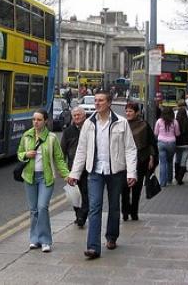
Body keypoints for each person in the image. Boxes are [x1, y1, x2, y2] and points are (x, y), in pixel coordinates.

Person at [67, 90, 137, 260]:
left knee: (114, 207)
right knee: (95, 207)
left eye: (101, 100)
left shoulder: (121, 123)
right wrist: (74, 173)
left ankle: (111, 237)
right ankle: (93, 247)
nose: (97, 103)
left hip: (116, 172)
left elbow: (130, 148)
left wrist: (132, 172)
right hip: (95, 172)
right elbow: (81, 150)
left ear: (109, 103)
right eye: (96, 100)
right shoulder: (89, 124)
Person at [18, 108, 70, 253]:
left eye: (39, 119)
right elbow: (19, 153)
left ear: (45, 121)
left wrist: (67, 175)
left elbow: (59, 159)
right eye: (34, 119)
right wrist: (26, 154)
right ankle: (34, 239)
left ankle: (46, 240)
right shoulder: (26, 136)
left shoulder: (52, 138)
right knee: (33, 210)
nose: (36, 122)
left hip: (45, 177)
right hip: (29, 177)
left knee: (42, 208)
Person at [121, 102, 158, 221]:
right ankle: (125, 211)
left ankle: (134, 211)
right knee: (124, 188)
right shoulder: (122, 125)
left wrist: (152, 156)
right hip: (124, 161)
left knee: (137, 189)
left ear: (137, 112)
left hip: (141, 160)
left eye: (130, 111)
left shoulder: (144, 125)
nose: (128, 113)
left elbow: (151, 142)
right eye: (126, 111)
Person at [60, 106, 89, 228]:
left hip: (88, 168)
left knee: (86, 193)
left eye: (79, 115)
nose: (77, 117)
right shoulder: (68, 131)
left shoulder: (90, 129)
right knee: (75, 195)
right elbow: (62, 150)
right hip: (73, 168)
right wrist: (64, 170)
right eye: (74, 115)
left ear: (84, 116)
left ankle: (83, 215)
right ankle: (78, 214)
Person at [154, 106, 180, 187]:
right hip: (172, 143)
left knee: (162, 163)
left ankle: (162, 182)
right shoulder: (175, 122)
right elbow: (178, 133)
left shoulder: (159, 121)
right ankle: (169, 179)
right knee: (169, 161)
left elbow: (155, 133)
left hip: (161, 143)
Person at [174, 100, 188, 185]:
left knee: (177, 159)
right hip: (187, 144)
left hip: (178, 143)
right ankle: (180, 179)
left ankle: (176, 175)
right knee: (183, 161)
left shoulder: (176, 121)